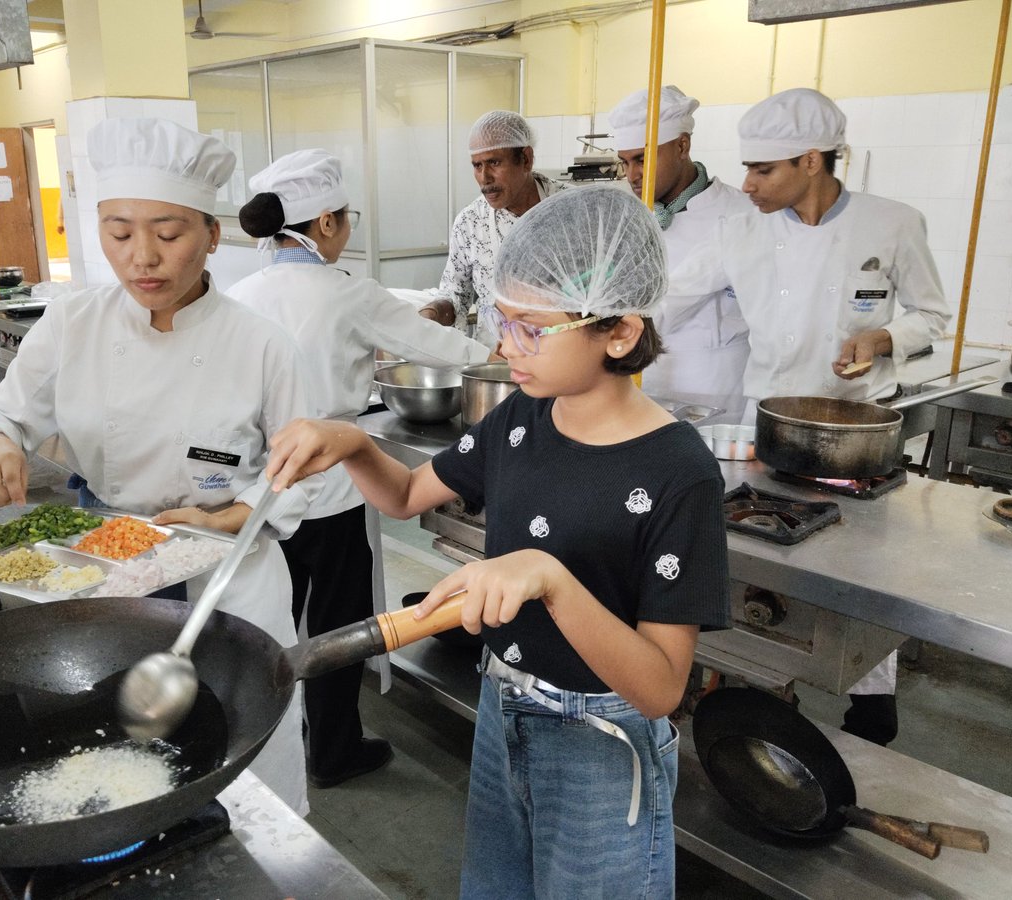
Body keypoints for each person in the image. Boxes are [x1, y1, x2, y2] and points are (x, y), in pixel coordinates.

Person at [267, 184, 731, 898]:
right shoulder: (521, 418)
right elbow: (406, 495)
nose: (504, 345)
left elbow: (661, 689)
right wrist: (353, 444)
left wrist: (552, 578)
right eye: (503, 321)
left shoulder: (677, 471)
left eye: (530, 329)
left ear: (620, 333)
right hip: (502, 709)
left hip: (600, 742)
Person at [0, 117, 322, 815]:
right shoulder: (74, 322)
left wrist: (222, 516)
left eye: (169, 232)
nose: (142, 258)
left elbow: (294, 482)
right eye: (119, 233)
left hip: (228, 581)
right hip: (107, 571)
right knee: (118, 761)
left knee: (248, 775)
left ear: (212, 235)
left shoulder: (262, 345)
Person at [671, 88, 954, 746]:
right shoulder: (743, 230)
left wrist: (882, 340)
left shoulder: (893, 224)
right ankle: (760, 682)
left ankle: (872, 703)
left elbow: (932, 316)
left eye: (761, 170)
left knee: (862, 572)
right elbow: (670, 294)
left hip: (857, 436)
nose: (746, 185)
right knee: (761, 561)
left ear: (809, 161)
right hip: (767, 430)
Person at [219, 148, 491, 788]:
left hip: (261, 490)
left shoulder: (240, 293)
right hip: (334, 492)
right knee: (339, 630)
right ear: (324, 225)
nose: (347, 230)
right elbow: (445, 349)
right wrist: (512, 359)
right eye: (346, 218)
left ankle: (259, 750)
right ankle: (333, 751)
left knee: (267, 623)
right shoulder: (348, 294)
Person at [609, 85, 754, 411]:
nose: (633, 175)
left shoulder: (742, 215)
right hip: (638, 380)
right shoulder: (625, 216)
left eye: (642, 159)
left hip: (716, 388)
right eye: (625, 162)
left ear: (682, 145)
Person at [418, 110, 566, 337]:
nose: (484, 178)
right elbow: (456, 294)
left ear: (526, 159)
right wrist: (433, 312)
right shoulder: (470, 223)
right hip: (497, 358)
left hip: (565, 354)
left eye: (494, 163)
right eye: (477, 166)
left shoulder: (571, 210)